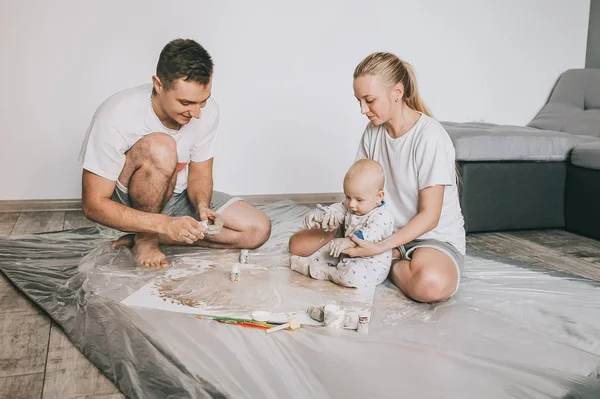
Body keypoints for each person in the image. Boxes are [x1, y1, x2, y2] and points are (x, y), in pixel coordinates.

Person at [289, 52, 465, 303]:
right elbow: (361, 188)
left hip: (428, 237)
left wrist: (381, 248)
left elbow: (430, 216)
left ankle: (390, 261)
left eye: (369, 100)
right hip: (373, 225)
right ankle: (380, 257)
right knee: (298, 245)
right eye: (359, 100)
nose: (363, 109)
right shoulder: (373, 132)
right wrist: (335, 214)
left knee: (430, 286)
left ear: (397, 92)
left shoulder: (430, 137)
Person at [79, 38, 271, 268]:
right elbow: (93, 204)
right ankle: (146, 238)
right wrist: (162, 222)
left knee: (257, 230)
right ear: (158, 85)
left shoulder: (204, 111)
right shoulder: (116, 114)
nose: (197, 113)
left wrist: (202, 206)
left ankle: (152, 235)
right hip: (129, 202)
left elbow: (200, 173)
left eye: (203, 101)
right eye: (186, 102)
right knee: (162, 147)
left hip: (175, 196)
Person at [290, 159, 395, 288]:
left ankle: (326, 272)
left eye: (358, 199)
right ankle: (309, 264)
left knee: (351, 276)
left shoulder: (383, 216)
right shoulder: (351, 206)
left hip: (370, 264)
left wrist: (348, 241)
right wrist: (321, 214)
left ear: (378, 197)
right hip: (346, 253)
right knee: (327, 250)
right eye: (348, 197)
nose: (351, 204)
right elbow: (337, 210)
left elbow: (369, 234)